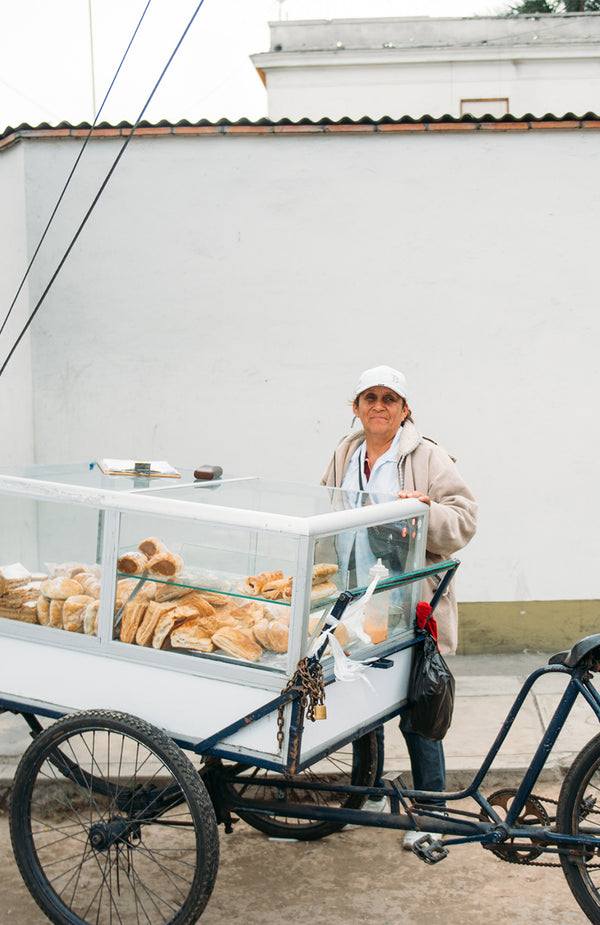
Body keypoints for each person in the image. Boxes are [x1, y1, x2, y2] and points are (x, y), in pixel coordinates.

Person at [321, 364, 477, 847]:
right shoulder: (346, 452)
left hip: (411, 603)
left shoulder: (427, 456)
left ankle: (429, 812)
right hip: (356, 600)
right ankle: (367, 794)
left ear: (405, 409)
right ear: (356, 408)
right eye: (370, 397)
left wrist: (425, 510)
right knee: (361, 699)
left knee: (417, 706)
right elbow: (325, 509)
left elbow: (465, 519)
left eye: (390, 398)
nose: (379, 406)